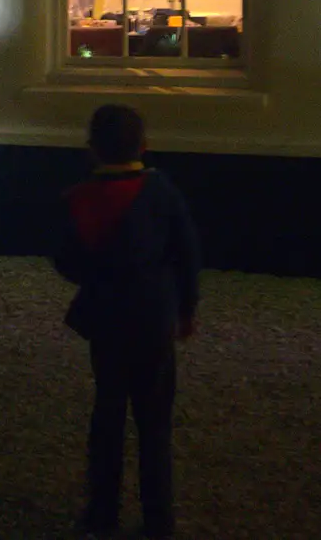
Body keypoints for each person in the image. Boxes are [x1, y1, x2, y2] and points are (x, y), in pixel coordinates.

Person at [53, 104, 202, 540]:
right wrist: (187, 307)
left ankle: (102, 514)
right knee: (155, 421)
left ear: (92, 150)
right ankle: (158, 519)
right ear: (144, 145)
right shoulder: (161, 192)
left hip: (106, 315)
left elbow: (66, 259)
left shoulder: (78, 199)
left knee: (109, 412)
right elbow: (187, 252)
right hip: (153, 315)